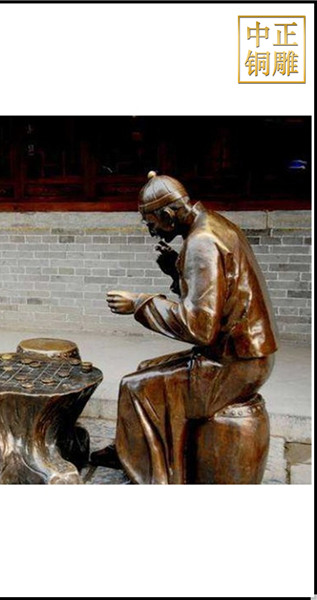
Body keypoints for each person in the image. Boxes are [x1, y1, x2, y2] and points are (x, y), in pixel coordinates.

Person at [91, 171, 278, 484]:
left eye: (150, 222)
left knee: (136, 387)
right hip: (243, 355)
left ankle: (157, 476)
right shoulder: (213, 224)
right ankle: (131, 447)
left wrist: (139, 303)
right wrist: (176, 272)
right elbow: (216, 301)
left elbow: (199, 327)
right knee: (147, 368)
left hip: (236, 364)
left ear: (167, 215)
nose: (150, 230)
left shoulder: (201, 242)